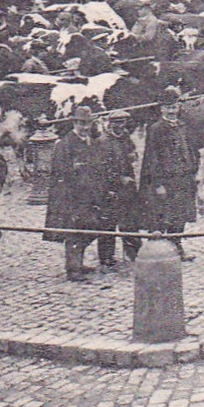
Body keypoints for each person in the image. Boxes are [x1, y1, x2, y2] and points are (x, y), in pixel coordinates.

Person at [44, 106, 103, 281]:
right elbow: (59, 172)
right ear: (74, 123)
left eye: (88, 124)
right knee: (74, 231)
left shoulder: (91, 141)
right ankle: (73, 268)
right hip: (72, 196)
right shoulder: (65, 144)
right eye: (82, 123)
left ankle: (79, 262)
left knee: (91, 228)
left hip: (89, 195)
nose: (85, 127)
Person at [139, 87, 198, 259]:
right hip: (167, 180)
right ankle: (160, 251)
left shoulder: (182, 126)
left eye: (174, 107)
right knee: (163, 216)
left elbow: (189, 150)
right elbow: (152, 158)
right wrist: (158, 184)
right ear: (161, 109)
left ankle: (176, 247)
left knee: (180, 216)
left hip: (184, 178)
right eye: (168, 107)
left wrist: (193, 171)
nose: (172, 111)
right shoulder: (156, 129)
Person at [94, 110, 143, 266]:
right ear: (110, 123)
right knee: (108, 222)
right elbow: (101, 169)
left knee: (130, 221)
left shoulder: (125, 138)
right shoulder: (103, 142)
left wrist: (133, 156)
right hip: (110, 188)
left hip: (128, 188)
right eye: (116, 123)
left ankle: (134, 252)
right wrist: (119, 179)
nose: (119, 126)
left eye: (122, 123)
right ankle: (106, 257)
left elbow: (132, 153)